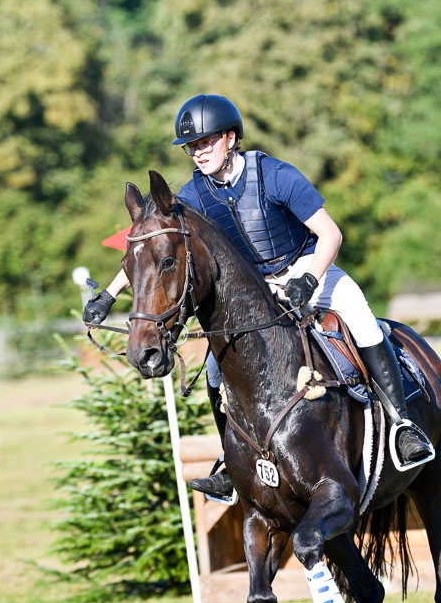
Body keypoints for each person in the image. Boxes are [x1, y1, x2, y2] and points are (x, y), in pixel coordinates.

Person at [84, 94, 431, 497]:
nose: (198, 153)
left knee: (360, 317)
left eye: (206, 143)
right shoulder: (192, 196)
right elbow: (155, 249)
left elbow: (331, 235)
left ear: (231, 138)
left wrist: (310, 280)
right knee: (217, 368)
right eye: (192, 147)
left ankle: (404, 427)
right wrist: (108, 295)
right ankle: (229, 464)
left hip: (307, 265)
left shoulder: (276, 175)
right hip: (257, 288)